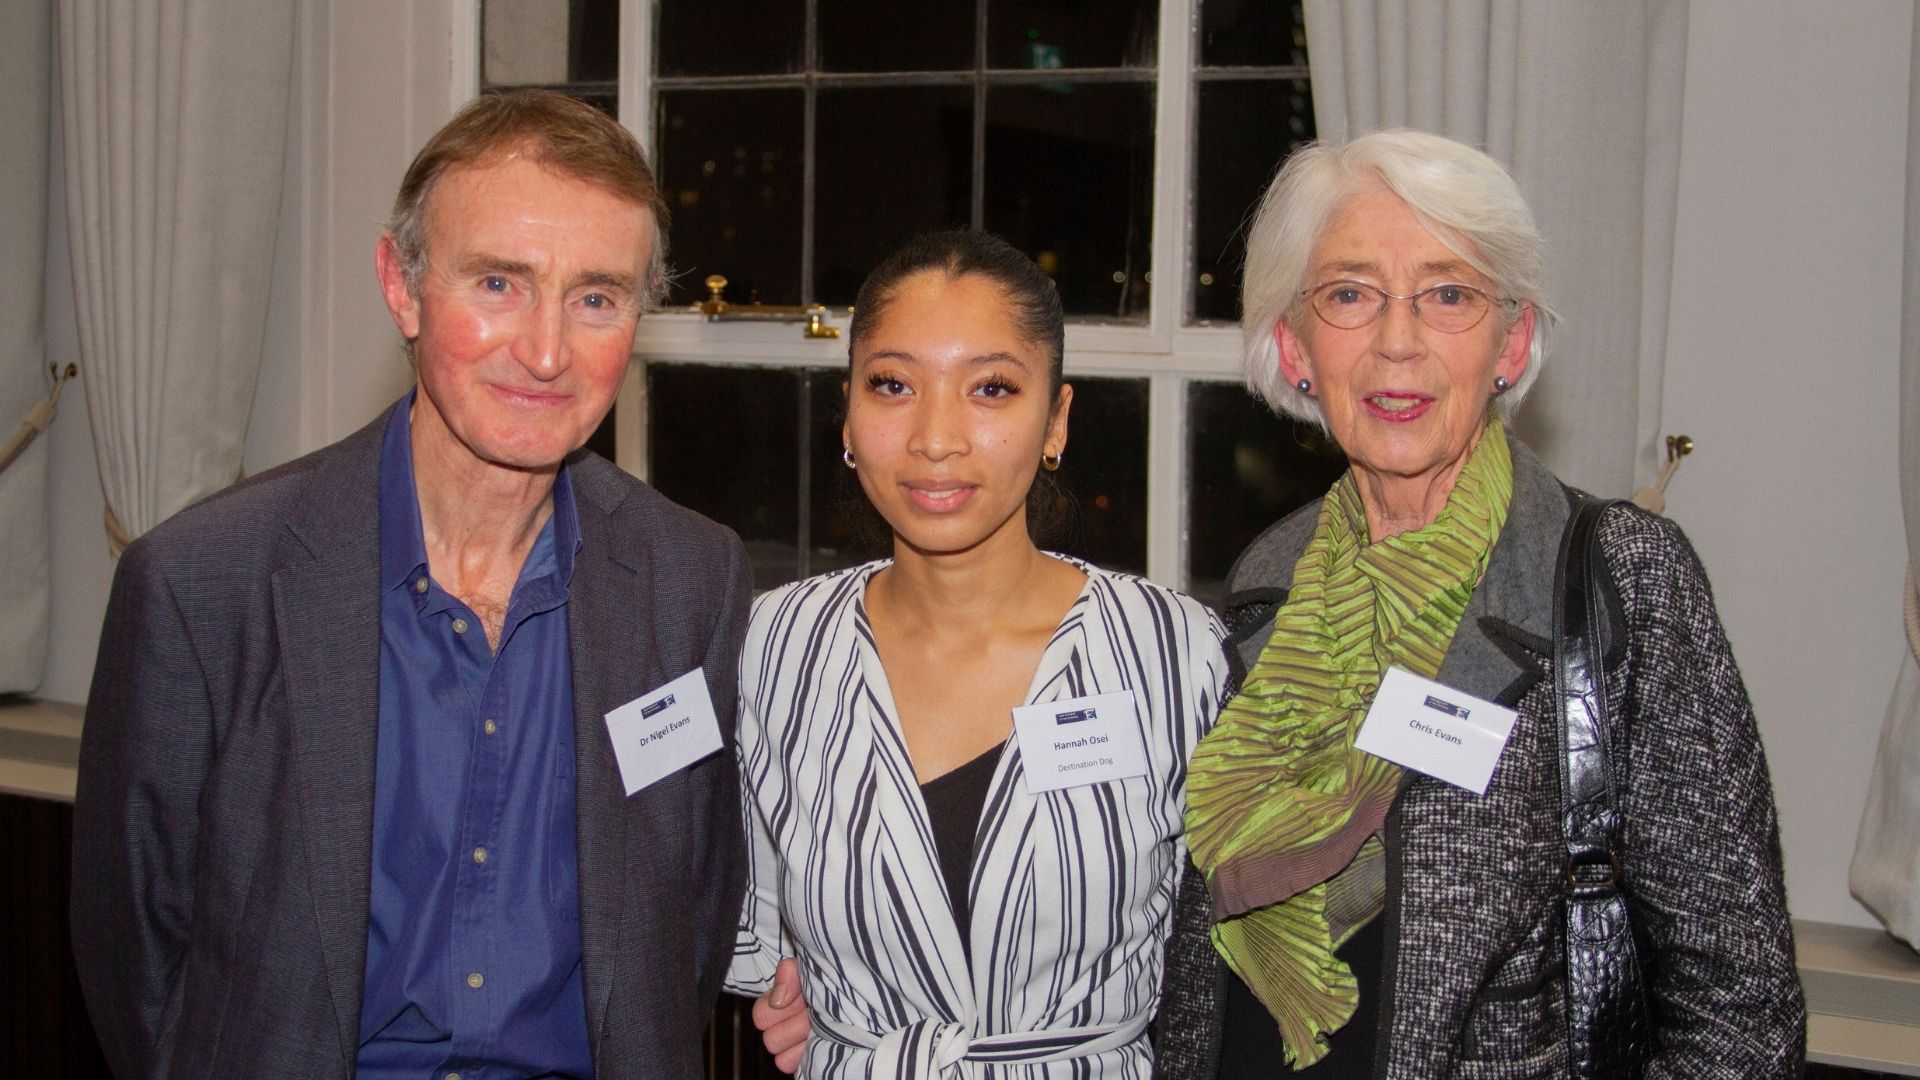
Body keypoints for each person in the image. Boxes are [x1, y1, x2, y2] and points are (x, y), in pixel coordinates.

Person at [70, 89, 752, 1079]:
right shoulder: (203, 583)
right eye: (499, 284)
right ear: (402, 286)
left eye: (596, 297)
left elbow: (683, 931)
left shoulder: (690, 579)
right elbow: (137, 955)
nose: (549, 350)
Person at [1155, 129, 1805, 1078]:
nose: (1397, 340)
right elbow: (1198, 951)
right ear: (1294, 347)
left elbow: (1738, 1009)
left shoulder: (1618, 575)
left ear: (1515, 341)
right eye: (1348, 294)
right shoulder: (1271, 575)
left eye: (1449, 293)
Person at [725, 230, 1231, 1077]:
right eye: (893, 385)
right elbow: (769, 937)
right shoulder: (774, 648)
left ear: (1055, 421)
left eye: (990, 388)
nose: (936, 437)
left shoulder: (1176, 657)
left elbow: (1222, 970)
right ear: (847, 413)